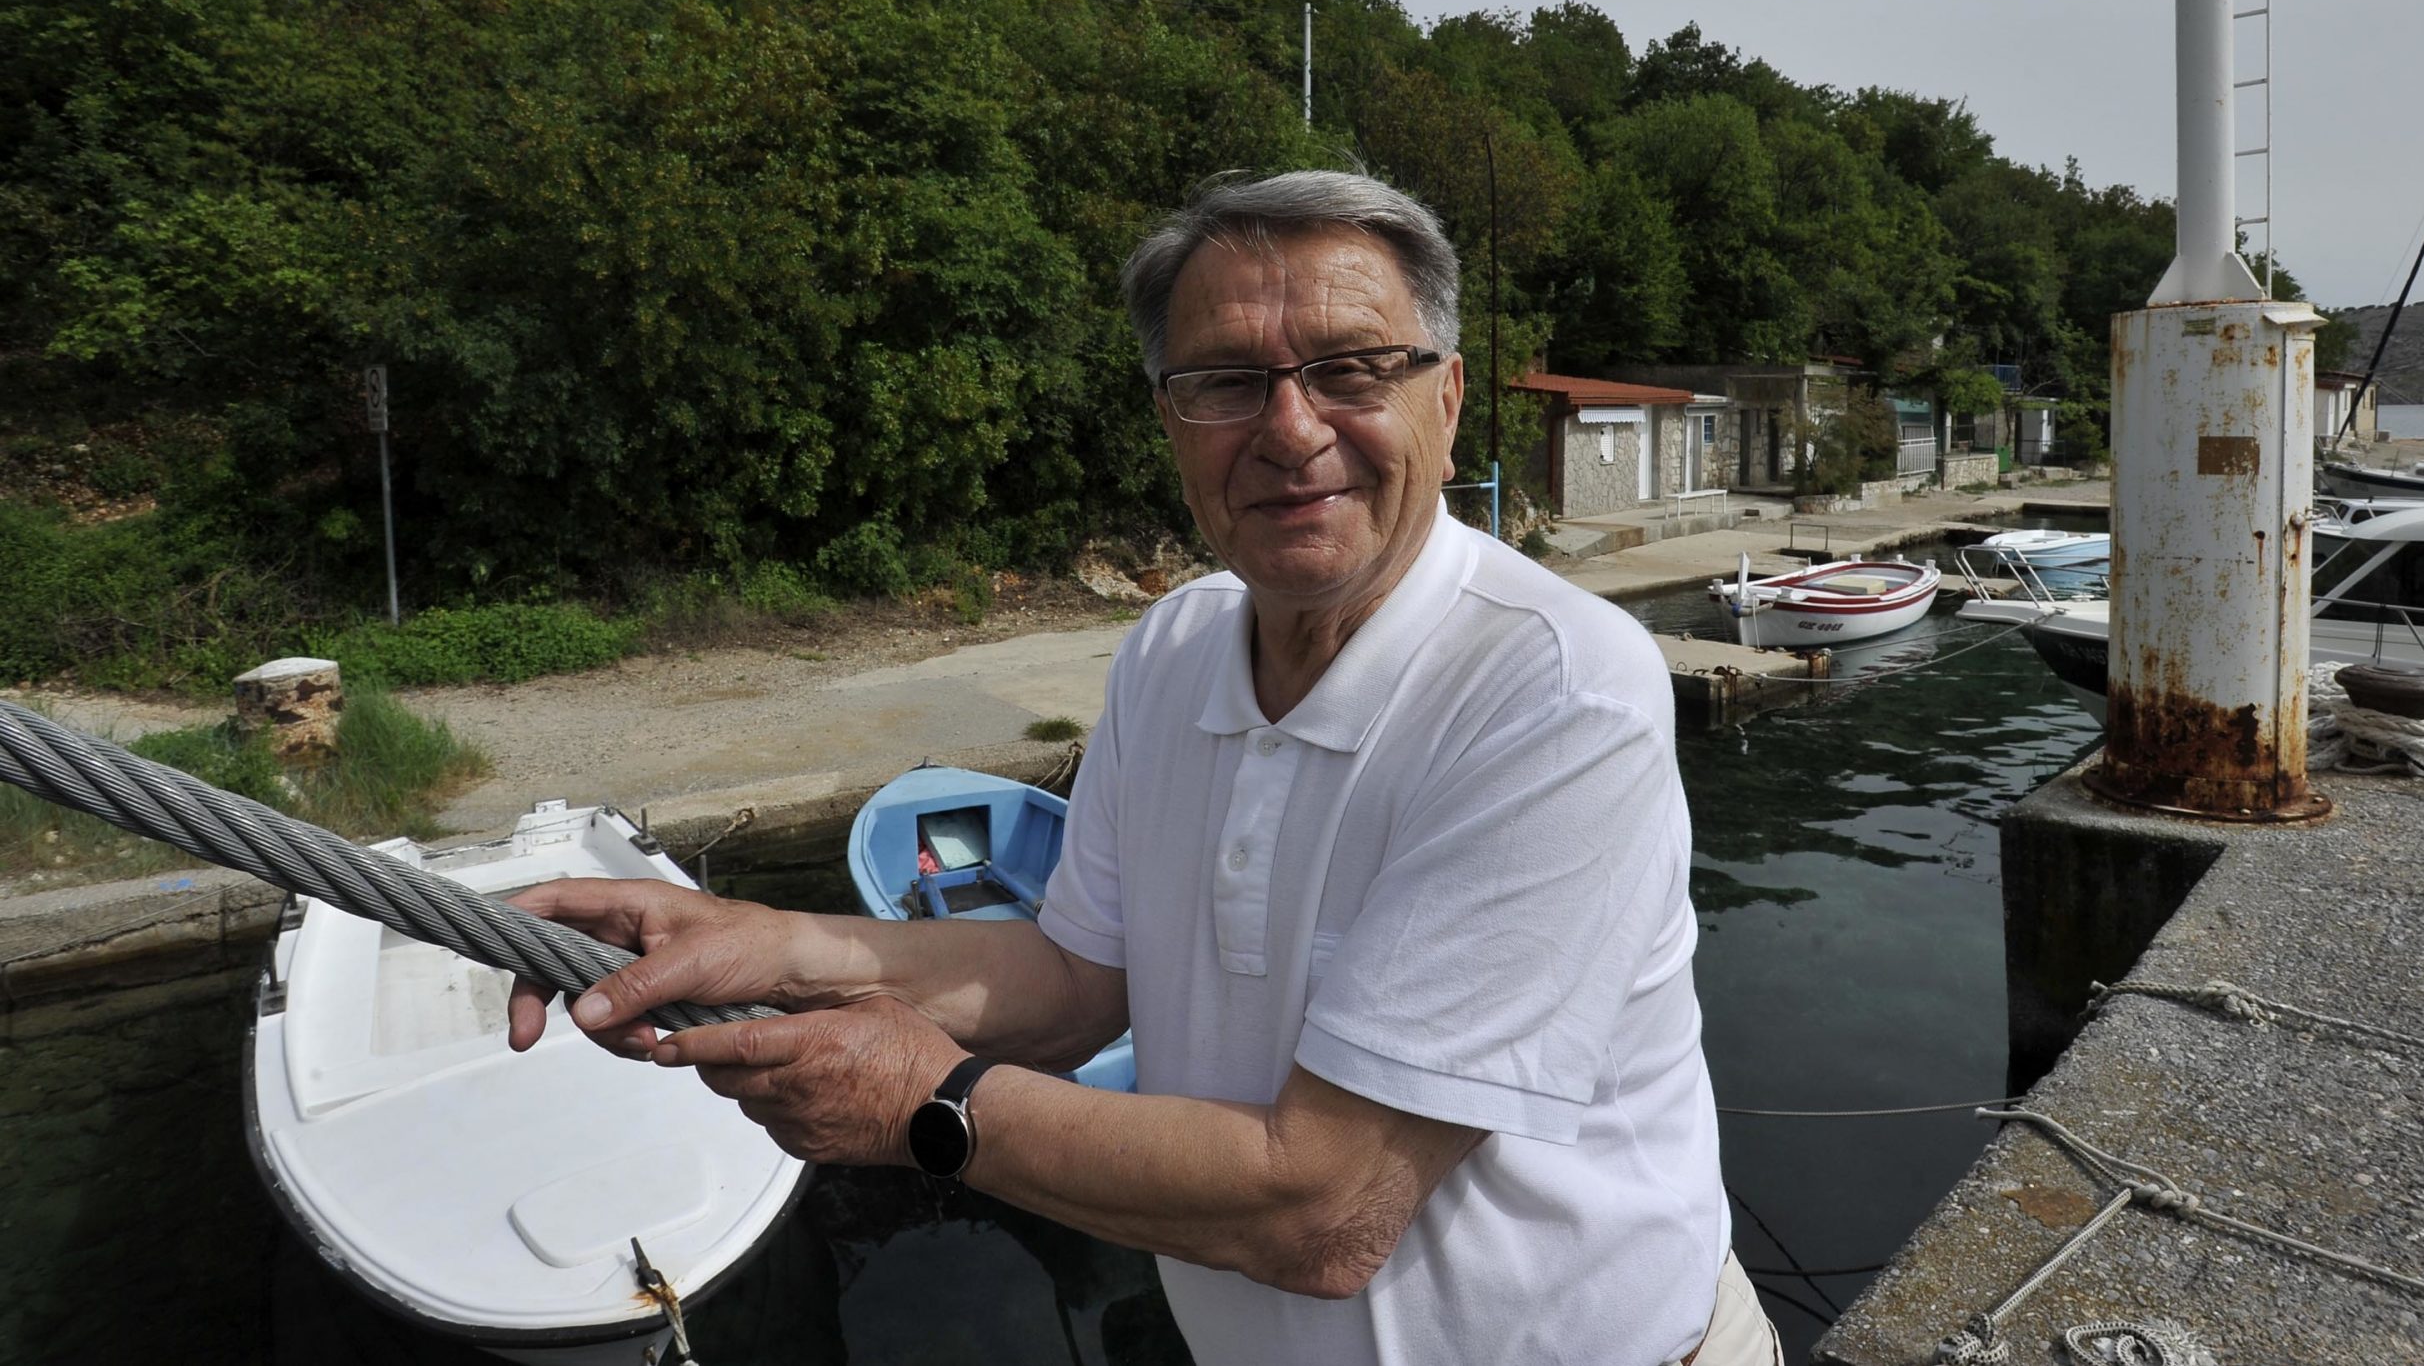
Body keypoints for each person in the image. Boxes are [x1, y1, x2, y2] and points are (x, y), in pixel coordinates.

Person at [506, 170, 1776, 1366]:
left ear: (1444, 401)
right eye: (1224, 380)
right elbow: (1075, 977)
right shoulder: (1171, 649)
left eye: (1348, 370)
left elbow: (1326, 1208)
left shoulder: (1550, 688)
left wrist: (924, 1106)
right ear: (1170, 419)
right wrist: (756, 943)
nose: (1288, 430)